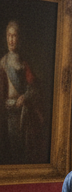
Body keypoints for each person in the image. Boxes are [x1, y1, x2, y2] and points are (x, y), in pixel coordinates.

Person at [1, 19, 45, 164]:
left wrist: (25, 97)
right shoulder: (2, 63)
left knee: (24, 150)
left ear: (19, 38)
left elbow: (34, 87)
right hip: (8, 112)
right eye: (9, 36)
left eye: (14, 36)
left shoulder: (24, 63)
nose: (11, 40)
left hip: (23, 113)